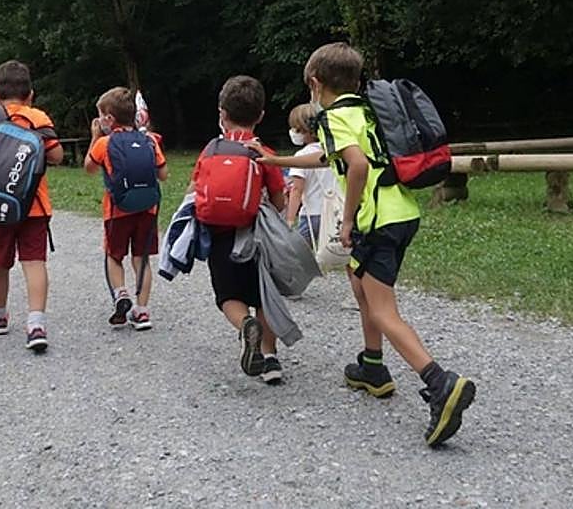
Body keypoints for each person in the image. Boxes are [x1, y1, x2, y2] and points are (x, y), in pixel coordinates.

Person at [259, 42, 476, 447]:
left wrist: (347, 220)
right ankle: (372, 367)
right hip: (402, 213)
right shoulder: (365, 109)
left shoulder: (333, 116)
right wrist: (275, 163)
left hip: (375, 221)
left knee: (382, 307)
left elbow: (356, 165)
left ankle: (441, 383)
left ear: (314, 83)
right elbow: (330, 159)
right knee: (360, 284)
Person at [192, 75, 287, 384]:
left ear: (222, 112)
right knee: (262, 295)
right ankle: (270, 359)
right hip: (257, 236)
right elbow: (277, 197)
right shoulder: (263, 152)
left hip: (221, 236)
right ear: (260, 116)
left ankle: (245, 325)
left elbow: (196, 188)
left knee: (228, 296)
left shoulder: (210, 150)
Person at [0, 60, 63, 351]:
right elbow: (56, 155)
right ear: (30, 94)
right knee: (34, 262)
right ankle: (36, 324)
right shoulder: (38, 117)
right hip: (34, 206)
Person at [84, 87, 169, 330]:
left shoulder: (104, 142)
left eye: (100, 115)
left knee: (113, 255)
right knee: (141, 258)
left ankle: (121, 294)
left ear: (109, 119)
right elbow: (163, 174)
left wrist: (94, 136)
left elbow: (89, 168)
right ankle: (142, 312)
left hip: (117, 210)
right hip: (148, 210)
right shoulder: (150, 140)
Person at [285, 103, 338, 246]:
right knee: (335, 251)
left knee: (301, 253)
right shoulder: (333, 152)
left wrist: (290, 219)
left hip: (311, 213)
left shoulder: (301, 156)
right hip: (334, 213)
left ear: (304, 131)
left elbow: (297, 190)